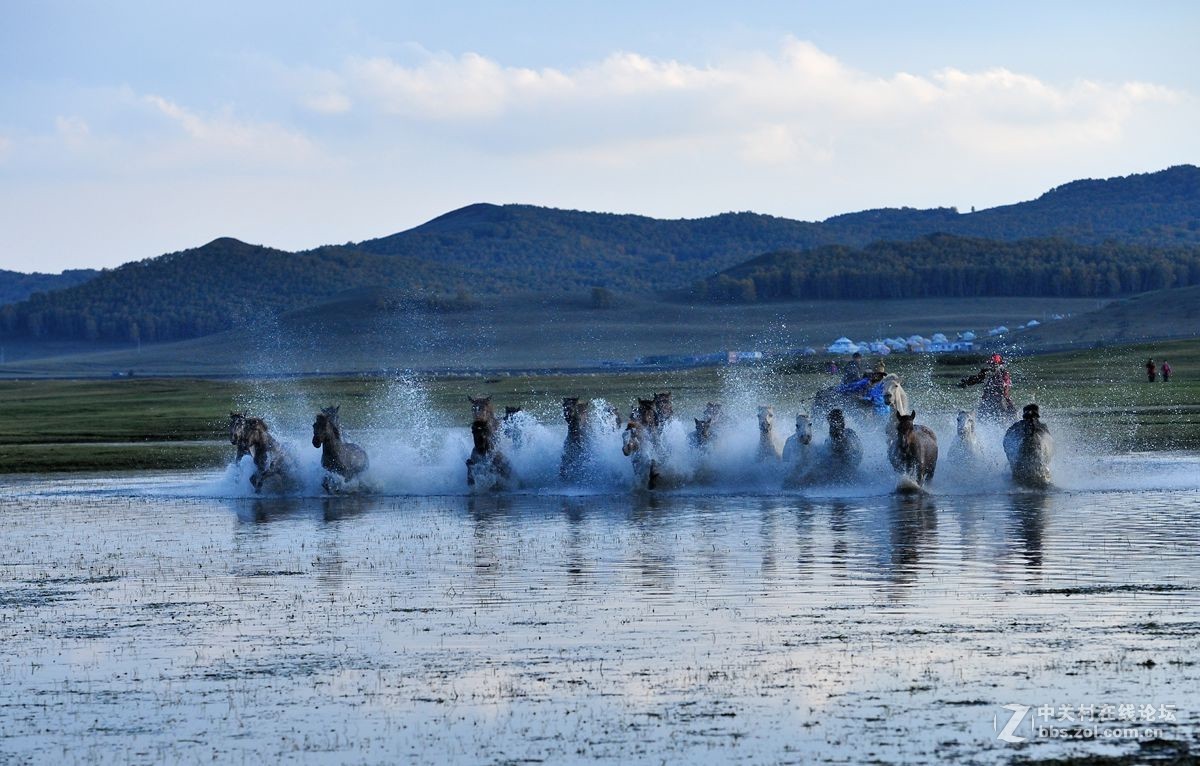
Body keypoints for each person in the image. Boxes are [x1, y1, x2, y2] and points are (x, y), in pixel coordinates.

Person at [959, 353, 1016, 421]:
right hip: (986, 399)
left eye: (994, 364)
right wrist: (967, 382)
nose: (992, 366)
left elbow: (1006, 386)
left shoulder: (1004, 373)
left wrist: (1007, 398)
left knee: (1003, 418)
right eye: (991, 364)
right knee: (980, 418)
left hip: (999, 400)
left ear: (999, 364)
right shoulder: (986, 371)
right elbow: (977, 379)